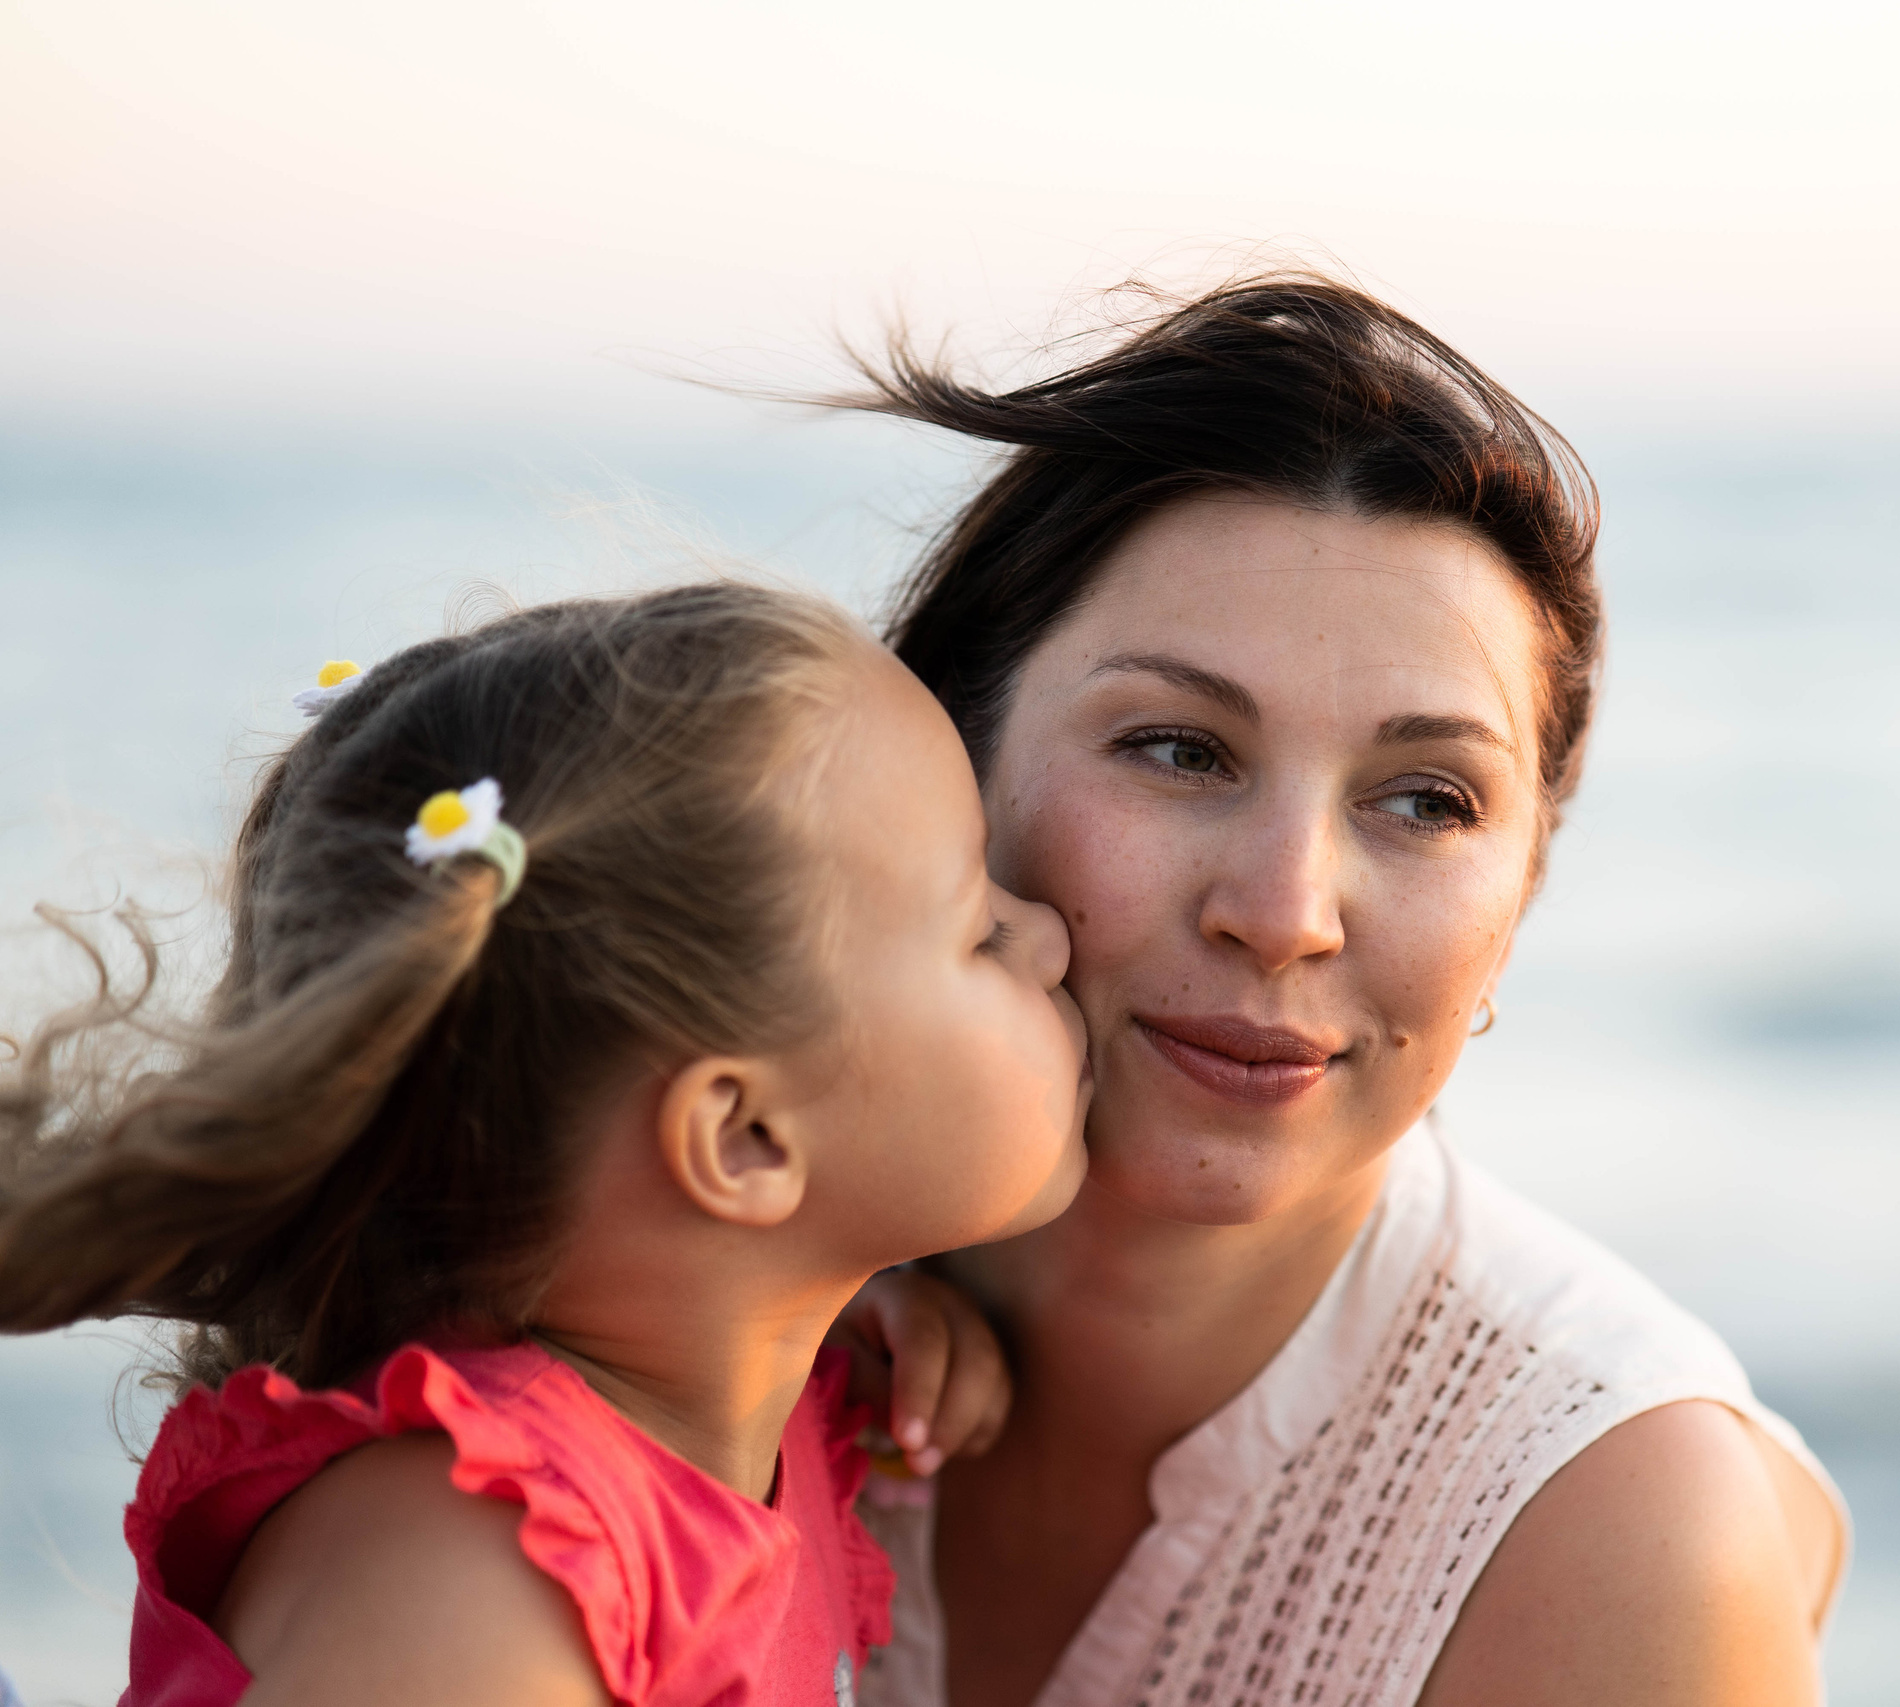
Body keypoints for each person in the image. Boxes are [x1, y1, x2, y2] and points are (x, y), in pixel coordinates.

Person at [816, 276, 1851, 1707]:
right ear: (948, 757)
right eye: (1180, 750)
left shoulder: (1612, 1520)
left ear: (1525, 887)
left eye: (1425, 800)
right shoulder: (679, 1246)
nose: (1284, 912)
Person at [0, 584, 1090, 1706]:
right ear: (745, 1140)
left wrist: (845, 1323)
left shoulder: (744, 1421)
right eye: (981, 931)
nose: (1051, 936)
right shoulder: (467, 1573)